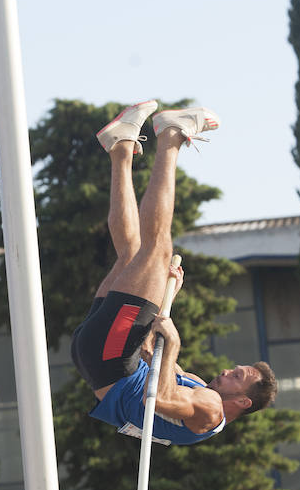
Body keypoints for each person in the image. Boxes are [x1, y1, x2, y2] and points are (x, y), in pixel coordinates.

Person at [70, 100, 278, 445]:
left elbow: (161, 399)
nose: (227, 371)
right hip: (100, 356)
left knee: (158, 248)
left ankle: (170, 137)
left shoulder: (211, 409)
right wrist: (164, 299)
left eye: (237, 376)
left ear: (242, 401)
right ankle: (120, 149)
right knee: (132, 255)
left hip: (112, 363)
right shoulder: (198, 387)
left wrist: (176, 343)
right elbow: (151, 350)